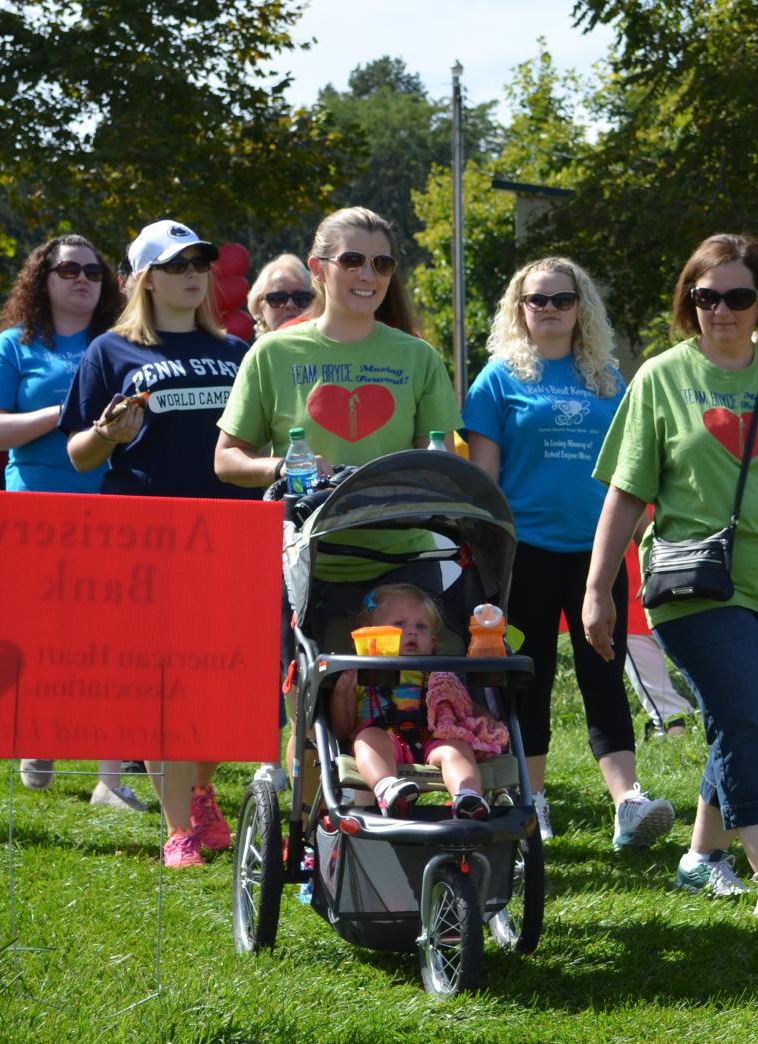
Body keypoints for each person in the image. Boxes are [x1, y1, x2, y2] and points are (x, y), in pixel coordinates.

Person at [582, 233, 758, 920]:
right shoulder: (661, 378)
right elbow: (625, 492)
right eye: (707, 297)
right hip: (693, 586)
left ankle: (702, 856)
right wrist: (596, 589)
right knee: (746, 717)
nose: (722, 310)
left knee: (749, 721)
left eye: (738, 296)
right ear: (690, 302)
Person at [215, 207, 460, 793]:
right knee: (317, 705)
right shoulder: (274, 353)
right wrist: (285, 466)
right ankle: (310, 839)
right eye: (352, 259)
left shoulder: (417, 357)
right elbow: (226, 459)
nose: (367, 274)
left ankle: (432, 805)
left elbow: (445, 453)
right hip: (312, 559)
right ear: (319, 268)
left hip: (401, 559)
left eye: (381, 262)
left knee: (415, 699)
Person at [59, 218, 255, 866]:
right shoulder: (110, 352)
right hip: (147, 535)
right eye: (175, 264)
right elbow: (80, 455)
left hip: (229, 530)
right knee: (165, 680)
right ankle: (179, 830)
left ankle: (200, 790)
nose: (192, 273)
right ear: (145, 278)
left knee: (224, 675)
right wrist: (110, 433)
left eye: (200, 261)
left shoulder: (235, 351)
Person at [464, 256, 673, 849]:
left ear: (582, 307)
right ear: (519, 308)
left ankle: (627, 803)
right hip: (524, 549)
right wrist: (487, 554)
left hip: (597, 550)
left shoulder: (609, 378)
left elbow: (635, 469)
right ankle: (532, 803)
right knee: (529, 676)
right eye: (538, 300)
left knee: (604, 670)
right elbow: (484, 482)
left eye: (563, 298)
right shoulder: (498, 379)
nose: (550, 309)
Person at [0, 235, 137, 808]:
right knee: (42, 637)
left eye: (94, 270)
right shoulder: (12, 347)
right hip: (35, 509)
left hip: (114, 504)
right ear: (43, 279)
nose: (83, 279)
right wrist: (63, 414)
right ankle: (39, 735)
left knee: (111, 641)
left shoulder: (118, 346)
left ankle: (109, 783)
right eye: (68, 270)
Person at [329, 583, 508, 819]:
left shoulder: (439, 674)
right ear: (372, 635)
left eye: (420, 626)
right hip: (385, 740)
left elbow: (464, 705)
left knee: (458, 748)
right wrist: (342, 692)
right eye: (399, 625)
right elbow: (341, 730)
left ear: (433, 642)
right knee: (367, 739)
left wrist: (485, 716)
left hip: (431, 741)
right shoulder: (361, 673)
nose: (411, 631)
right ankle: (387, 787)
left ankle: (468, 796)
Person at [245, 254, 314, 335]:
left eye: (301, 298)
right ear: (259, 309)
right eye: (278, 298)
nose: (290, 305)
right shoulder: (251, 348)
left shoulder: (330, 346)